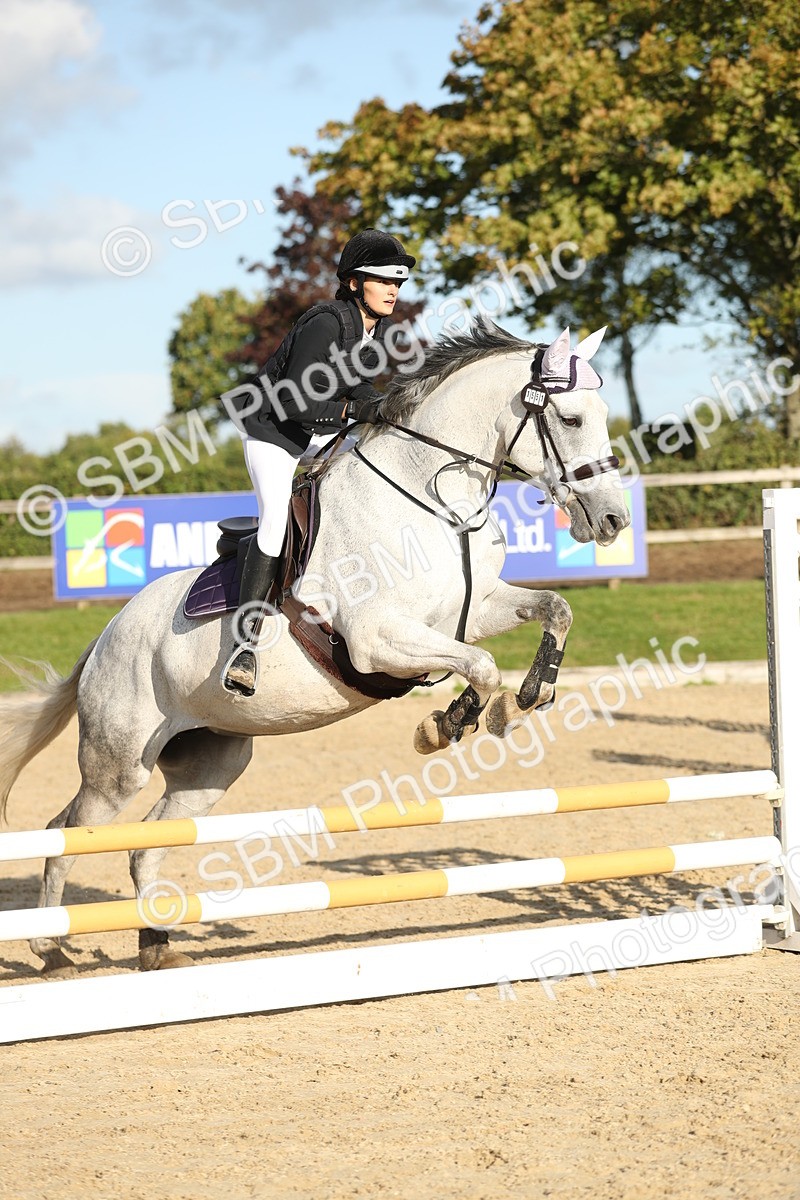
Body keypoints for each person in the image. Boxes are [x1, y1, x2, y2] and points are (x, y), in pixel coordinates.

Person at [223, 227, 416, 696]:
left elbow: (360, 391)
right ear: (354, 283)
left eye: (399, 281)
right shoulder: (325, 323)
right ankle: (243, 647)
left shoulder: (370, 334)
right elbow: (292, 404)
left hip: (314, 433)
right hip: (274, 432)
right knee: (273, 523)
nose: (394, 289)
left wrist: (394, 409)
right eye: (383, 280)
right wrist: (354, 411)